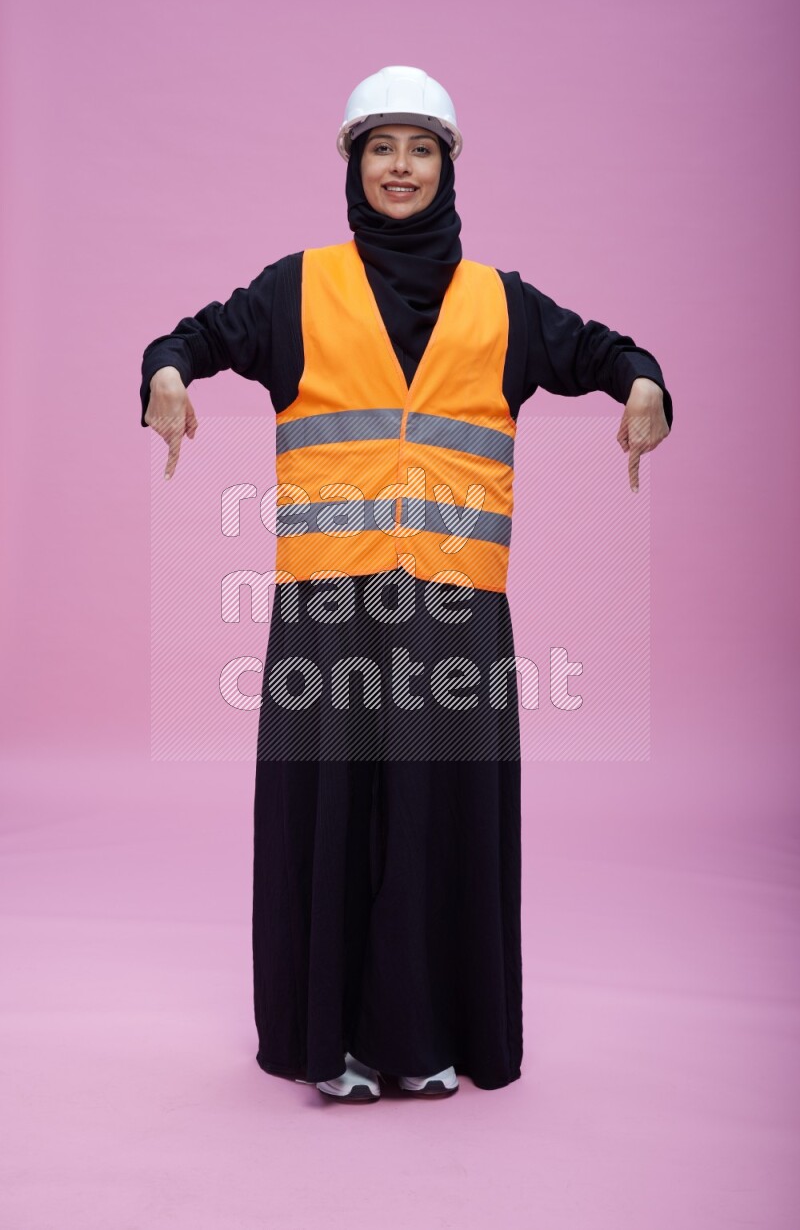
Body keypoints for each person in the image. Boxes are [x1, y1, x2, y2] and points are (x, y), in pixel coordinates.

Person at [140, 65, 673, 1103]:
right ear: (352, 164)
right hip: (329, 607)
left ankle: (427, 1036)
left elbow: (607, 353)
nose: (399, 167)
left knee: (439, 815)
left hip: (453, 610)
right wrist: (164, 376)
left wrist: (644, 383)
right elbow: (190, 339)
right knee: (330, 813)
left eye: (419, 149)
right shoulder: (295, 289)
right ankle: (328, 1040)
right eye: (380, 148)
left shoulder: (503, 304)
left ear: (447, 167)